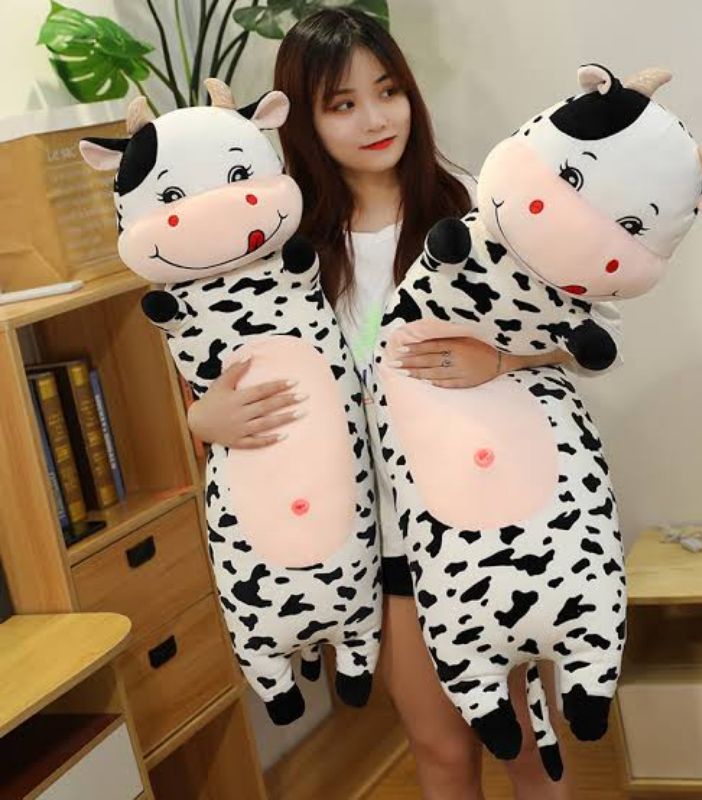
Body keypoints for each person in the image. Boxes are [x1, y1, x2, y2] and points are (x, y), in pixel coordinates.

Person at [188, 8, 619, 798]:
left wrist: (502, 357)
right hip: (381, 547)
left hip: (490, 526)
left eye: (387, 91)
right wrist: (201, 420)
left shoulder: (476, 213)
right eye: (343, 103)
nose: (375, 119)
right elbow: (227, 375)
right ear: (305, 120)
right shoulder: (284, 252)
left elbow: (591, 332)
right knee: (440, 749)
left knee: (526, 748)